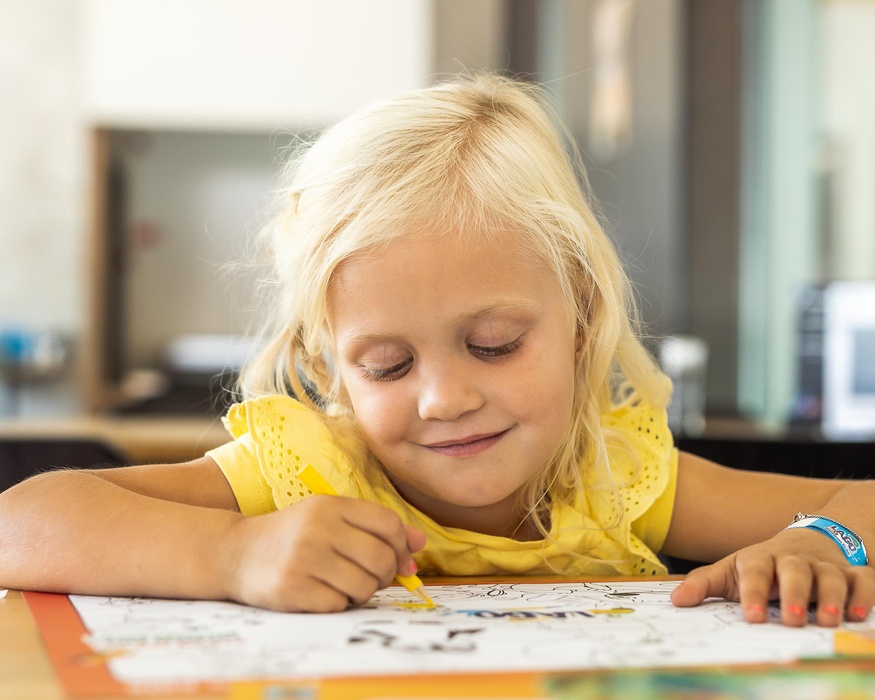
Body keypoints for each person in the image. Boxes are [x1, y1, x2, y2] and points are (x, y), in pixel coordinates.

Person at [1, 74, 872, 627]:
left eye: (493, 345)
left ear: (580, 316)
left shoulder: (613, 479)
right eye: (387, 365)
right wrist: (231, 554)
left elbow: (858, 504)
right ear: (328, 366)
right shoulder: (309, 474)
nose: (444, 398)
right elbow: (22, 521)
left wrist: (827, 543)